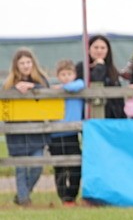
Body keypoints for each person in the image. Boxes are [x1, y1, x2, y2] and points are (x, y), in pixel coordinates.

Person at [4, 48, 51, 206]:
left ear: (33, 63)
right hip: (17, 133)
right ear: (16, 65)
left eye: (28, 62)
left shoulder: (42, 80)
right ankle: (24, 200)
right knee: (21, 169)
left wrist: (33, 89)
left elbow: (48, 95)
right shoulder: (9, 84)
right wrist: (15, 91)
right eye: (22, 63)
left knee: (37, 166)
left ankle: (22, 194)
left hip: (37, 132)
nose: (25, 65)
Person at [48, 59, 86, 206]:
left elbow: (81, 84)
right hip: (56, 134)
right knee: (60, 167)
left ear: (74, 74)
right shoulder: (53, 91)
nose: (66, 77)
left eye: (69, 74)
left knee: (76, 165)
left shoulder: (76, 87)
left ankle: (73, 194)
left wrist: (64, 88)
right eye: (62, 74)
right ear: (58, 76)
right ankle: (64, 196)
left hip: (72, 133)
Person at [77, 34, 125, 120]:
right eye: (96, 47)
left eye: (103, 48)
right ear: (88, 49)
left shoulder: (112, 70)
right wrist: (99, 66)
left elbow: (119, 99)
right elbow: (95, 81)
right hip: (91, 116)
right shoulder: (82, 68)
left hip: (112, 117)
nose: (99, 51)